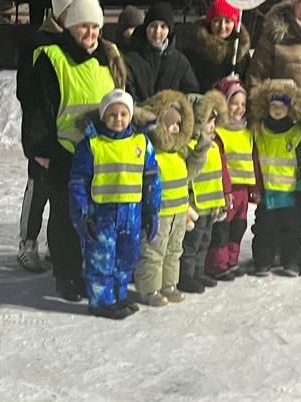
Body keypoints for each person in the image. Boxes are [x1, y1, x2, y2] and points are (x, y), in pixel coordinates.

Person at [22, 0, 127, 301]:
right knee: (66, 220)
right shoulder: (52, 57)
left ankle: (88, 270)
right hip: (64, 155)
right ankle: (66, 276)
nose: (90, 33)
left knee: (96, 217)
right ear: (68, 26)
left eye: (95, 27)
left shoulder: (108, 57)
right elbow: (38, 107)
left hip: (102, 155)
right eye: (83, 26)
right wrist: (41, 150)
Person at [69, 89, 161, 319]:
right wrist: (81, 215)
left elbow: (152, 180)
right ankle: (101, 301)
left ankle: (119, 296)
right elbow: (78, 182)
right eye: (112, 114)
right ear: (102, 116)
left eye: (123, 114)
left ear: (130, 116)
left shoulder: (141, 143)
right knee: (102, 259)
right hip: (102, 216)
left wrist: (152, 212)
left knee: (126, 258)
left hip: (132, 215)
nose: (118, 119)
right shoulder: (92, 145)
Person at [13, 0, 70, 273]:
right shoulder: (38, 44)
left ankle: (55, 246)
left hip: (64, 132)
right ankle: (27, 243)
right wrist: (36, 143)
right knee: (39, 190)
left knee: (61, 194)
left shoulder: (71, 43)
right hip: (42, 131)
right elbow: (27, 93)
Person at [246, 79, 301, 276]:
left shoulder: (298, 132)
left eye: (282, 106)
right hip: (268, 192)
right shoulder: (260, 131)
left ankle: (292, 262)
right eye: (273, 106)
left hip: (292, 194)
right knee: (264, 230)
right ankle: (262, 261)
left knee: (292, 232)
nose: (277, 110)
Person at [132, 90, 194, 306]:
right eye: (171, 124)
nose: (176, 128)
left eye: (179, 124)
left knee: (174, 251)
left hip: (177, 214)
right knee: (153, 252)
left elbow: (191, 174)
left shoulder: (178, 154)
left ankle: (169, 284)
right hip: (158, 214)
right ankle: (149, 289)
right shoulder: (151, 153)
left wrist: (202, 149)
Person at [178, 91, 230, 292]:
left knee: (204, 241)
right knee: (191, 244)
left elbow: (218, 176)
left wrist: (221, 200)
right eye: (208, 122)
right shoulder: (189, 147)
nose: (212, 127)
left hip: (210, 205)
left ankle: (198, 272)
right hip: (195, 205)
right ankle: (186, 276)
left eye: (213, 122)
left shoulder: (214, 146)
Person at [207, 78, 253, 280]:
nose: (239, 108)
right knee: (222, 228)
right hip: (227, 188)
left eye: (243, 104)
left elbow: (254, 160)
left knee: (238, 226)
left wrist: (255, 187)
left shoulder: (247, 131)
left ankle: (232, 261)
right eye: (235, 103)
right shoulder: (219, 132)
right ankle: (217, 264)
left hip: (243, 188)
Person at [122, 1, 199, 101]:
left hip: (171, 114)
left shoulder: (180, 62)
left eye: (163, 26)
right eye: (153, 26)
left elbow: (191, 92)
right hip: (139, 114)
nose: (157, 31)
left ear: (169, 30)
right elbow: (127, 93)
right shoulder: (131, 60)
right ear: (146, 28)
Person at [179, 0, 251, 92]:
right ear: (210, 22)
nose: (222, 26)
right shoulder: (195, 47)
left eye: (227, 21)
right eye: (217, 21)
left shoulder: (240, 52)